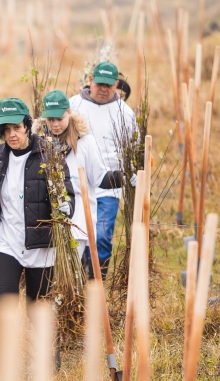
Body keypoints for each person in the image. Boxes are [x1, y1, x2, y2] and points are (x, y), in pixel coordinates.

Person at [0, 98, 75, 370]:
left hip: (41, 247)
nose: (12, 135)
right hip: (6, 243)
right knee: (3, 306)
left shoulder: (49, 155)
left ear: (28, 126)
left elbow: (68, 197)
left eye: (17, 127)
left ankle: (49, 362)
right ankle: (0, 368)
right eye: (6, 129)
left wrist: (66, 207)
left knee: (37, 309)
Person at [37, 90, 132, 278]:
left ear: (69, 113)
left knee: (69, 276)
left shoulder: (85, 142)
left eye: (60, 118)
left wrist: (127, 177)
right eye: (50, 120)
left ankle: (75, 304)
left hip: (77, 218)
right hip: (44, 218)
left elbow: (99, 178)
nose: (55, 124)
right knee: (46, 278)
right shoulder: (38, 143)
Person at [69, 61, 137, 279]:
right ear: (90, 81)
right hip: (78, 185)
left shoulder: (124, 113)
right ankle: (76, 280)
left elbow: (132, 150)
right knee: (78, 234)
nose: (104, 89)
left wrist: (134, 171)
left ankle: (96, 282)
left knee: (101, 236)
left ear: (117, 84)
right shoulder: (74, 106)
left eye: (109, 85)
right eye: (100, 84)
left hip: (109, 185)